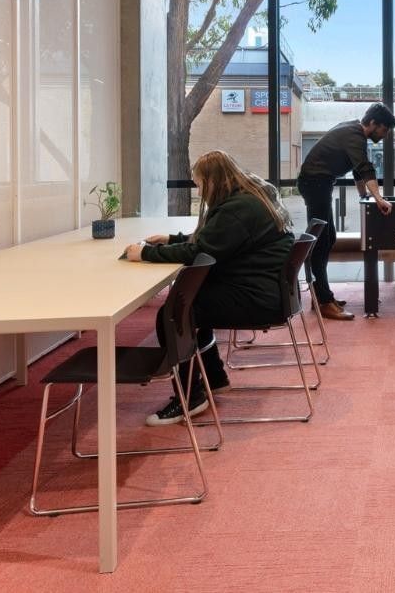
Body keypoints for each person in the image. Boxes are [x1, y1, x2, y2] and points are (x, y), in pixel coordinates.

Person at [124, 150, 295, 425]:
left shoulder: (239, 209)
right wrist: (172, 239)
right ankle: (214, 379)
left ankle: (191, 397)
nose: (199, 190)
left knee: (174, 313)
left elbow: (202, 251)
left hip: (256, 297)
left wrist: (145, 254)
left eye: (200, 184)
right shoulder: (250, 197)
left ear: (213, 181)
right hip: (264, 289)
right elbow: (219, 239)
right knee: (192, 303)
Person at [297, 103, 395, 320]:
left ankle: (322, 296)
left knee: (328, 237)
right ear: (373, 123)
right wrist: (379, 199)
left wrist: (365, 196)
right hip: (315, 183)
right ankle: (323, 301)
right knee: (321, 242)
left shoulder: (353, 131)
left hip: (319, 183)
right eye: (384, 130)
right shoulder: (355, 135)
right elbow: (364, 167)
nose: (385, 134)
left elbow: (357, 172)